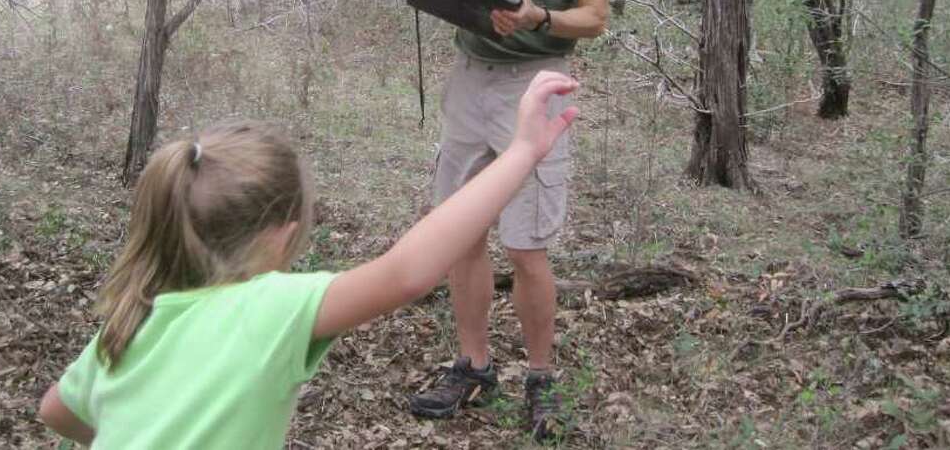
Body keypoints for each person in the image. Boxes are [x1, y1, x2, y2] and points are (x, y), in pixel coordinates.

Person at [38, 70, 579, 449]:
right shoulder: (266, 309)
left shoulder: (128, 323)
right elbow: (408, 270)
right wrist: (523, 152)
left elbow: (57, 411)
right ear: (282, 236)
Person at [383, 0, 611, 442]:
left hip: (535, 85)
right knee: (460, 230)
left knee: (526, 244)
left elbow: (595, 16)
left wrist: (542, 16)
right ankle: (473, 364)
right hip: (470, 78)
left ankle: (540, 377)